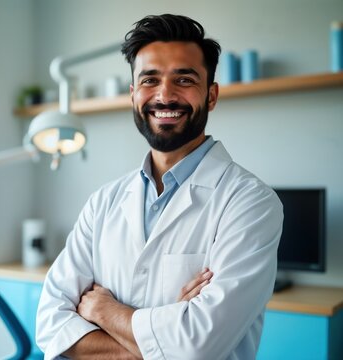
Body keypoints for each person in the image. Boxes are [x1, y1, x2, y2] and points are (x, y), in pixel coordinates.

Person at [36, 14, 283, 360]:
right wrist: (160, 341)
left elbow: (199, 346)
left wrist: (104, 312)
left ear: (211, 96)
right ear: (133, 94)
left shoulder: (251, 203)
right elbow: (50, 324)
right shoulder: (103, 202)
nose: (165, 96)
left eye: (184, 79)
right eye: (150, 80)